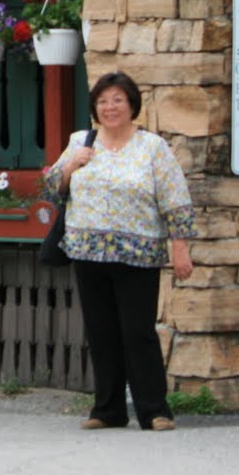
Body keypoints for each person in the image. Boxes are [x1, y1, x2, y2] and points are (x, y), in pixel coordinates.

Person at [42, 71, 196, 431]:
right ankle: (107, 409)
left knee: (138, 332)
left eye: (117, 100)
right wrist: (70, 166)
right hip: (87, 251)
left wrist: (181, 248)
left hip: (137, 253)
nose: (110, 107)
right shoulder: (81, 141)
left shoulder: (152, 147)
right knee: (101, 331)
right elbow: (52, 188)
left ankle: (154, 410)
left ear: (131, 106)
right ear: (95, 107)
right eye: (103, 101)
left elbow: (175, 200)